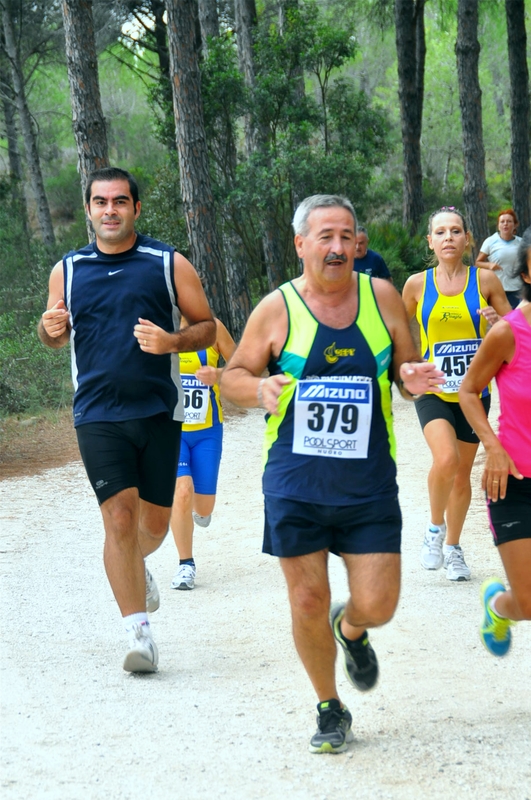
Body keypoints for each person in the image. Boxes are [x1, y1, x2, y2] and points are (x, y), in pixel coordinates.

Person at [221, 194, 444, 754]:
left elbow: (402, 367)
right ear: (301, 244)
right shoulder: (276, 309)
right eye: (325, 236)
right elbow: (233, 377)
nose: (338, 246)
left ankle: (353, 628)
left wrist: (412, 377)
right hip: (295, 483)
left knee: (380, 603)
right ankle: (329, 706)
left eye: (346, 235)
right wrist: (259, 389)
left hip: (367, 484)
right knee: (305, 601)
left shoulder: (382, 297)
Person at [38, 167, 215, 673]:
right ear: (90, 210)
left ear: (135, 209)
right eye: (100, 202)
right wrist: (48, 329)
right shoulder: (67, 271)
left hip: (159, 410)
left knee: (153, 525)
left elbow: (206, 326)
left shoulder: (167, 262)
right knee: (117, 517)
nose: (109, 210)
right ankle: (139, 635)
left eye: (120, 201)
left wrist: (173, 341)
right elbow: (53, 333)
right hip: (97, 414)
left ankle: (138, 566)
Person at [402, 206, 511, 582]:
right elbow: (399, 334)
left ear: (468, 240)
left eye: (455, 231)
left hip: (472, 392)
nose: (448, 237)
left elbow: (515, 331)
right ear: (430, 241)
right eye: (441, 232)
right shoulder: (416, 285)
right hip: (433, 390)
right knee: (446, 459)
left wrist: (497, 324)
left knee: (462, 474)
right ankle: (433, 531)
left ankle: (453, 547)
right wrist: (409, 366)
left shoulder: (485, 282)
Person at [459, 227, 531, 656]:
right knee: (528, 603)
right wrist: (494, 448)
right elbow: (469, 391)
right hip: (515, 481)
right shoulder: (508, 332)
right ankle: (500, 605)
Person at [170, 318, 236, 590]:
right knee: (182, 491)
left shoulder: (214, 328)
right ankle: (186, 565)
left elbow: (241, 366)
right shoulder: (160, 325)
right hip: (172, 431)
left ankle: (197, 510)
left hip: (208, 431)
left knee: (204, 508)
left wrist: (219, 375)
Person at [476, 209, 523, 309]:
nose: (505, 224)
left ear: (515, 225)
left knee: (516, 322)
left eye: (509, 221)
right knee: (500, 321)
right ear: (498, 225)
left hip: (517, 289)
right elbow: (478, 262)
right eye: (502, 222)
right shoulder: (490, 242)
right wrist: (489, 265)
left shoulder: (522, 243)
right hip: (497, 289)